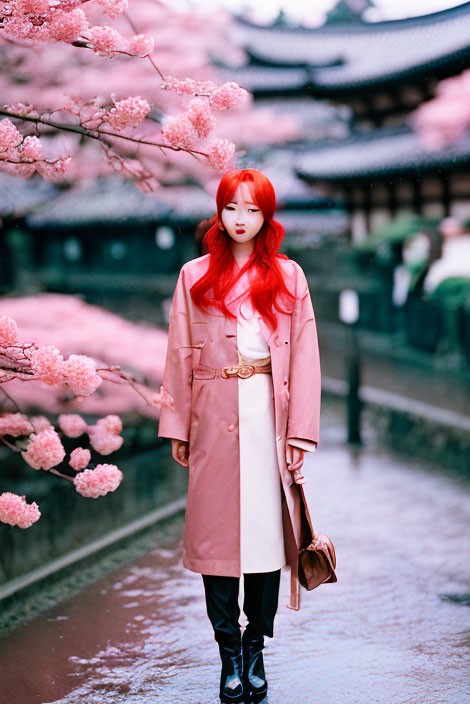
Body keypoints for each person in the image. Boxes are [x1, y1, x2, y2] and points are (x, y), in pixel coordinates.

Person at [158, 168, 321, 703]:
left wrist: (300, 433)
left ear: (266, 216)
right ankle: (227, 652)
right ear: (219, 213)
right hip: (212, 417)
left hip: (269, 417)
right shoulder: (194, 275)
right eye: (233, 208)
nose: (241, 219)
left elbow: (306, 358)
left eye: (253, 209)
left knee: (267, 540)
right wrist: (177, 423)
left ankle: (256, 649)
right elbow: (178, 352)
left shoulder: (290, 277)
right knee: (216, 542)